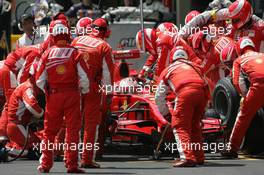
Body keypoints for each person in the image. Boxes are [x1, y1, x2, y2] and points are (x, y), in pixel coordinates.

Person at [36, 19, 89, 173]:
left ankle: (45, 164)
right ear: (68, 34)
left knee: (49, 132)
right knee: (73, 131)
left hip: (53, 96)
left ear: (53, 36)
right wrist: (83, 90)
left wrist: (48, 90)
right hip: (72, 95)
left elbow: (39, 80)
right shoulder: (75, 52)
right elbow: (84, 78)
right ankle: (72, 165)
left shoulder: (47, 54)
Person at [155, 46, 209, 167]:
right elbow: (206, 84)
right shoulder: (196, 67)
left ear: (172, 58)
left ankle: (187, 157)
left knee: (180, 126)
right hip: (202, 94)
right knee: (195, 126)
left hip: (185, 93)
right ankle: (199, 157)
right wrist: (204, 108)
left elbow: (158, 96)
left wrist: (167, 115)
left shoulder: (168, 70)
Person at [71, 17, 114, 168]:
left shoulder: (76, 40)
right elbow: (108, 74)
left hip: (73, 87)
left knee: (72, 123)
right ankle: (87, 159)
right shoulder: (104, 47)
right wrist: (109, 93)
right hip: (93, 89)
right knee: (91, 124)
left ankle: (69, 158)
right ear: (105, 32)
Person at [222, 37, 264, 158]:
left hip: (257, 87)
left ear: (239, 49)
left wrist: (244, 96)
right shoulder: (262, 55)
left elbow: (237, 82)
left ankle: (232, 149)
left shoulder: (239, 60)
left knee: (242, 117)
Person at [179, 0, 264, 53]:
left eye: (235, 20)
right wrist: (181, 34)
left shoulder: (260, 26)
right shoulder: (227, 13)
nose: (231, 21)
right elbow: (202, 17)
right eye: (230, 19)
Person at [0, 45, 41, 142]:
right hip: (9, 71)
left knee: (10, 104)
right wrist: (22, 89)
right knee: (10, 105)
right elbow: (23, 75)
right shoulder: (36, 52)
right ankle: (2, 135)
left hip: (7, 69)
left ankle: (4, 135)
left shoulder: (36, 49)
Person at [6, 71, 43, 158]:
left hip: (18, 126)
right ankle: (5, 151)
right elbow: (33, 106)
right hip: (17, 126)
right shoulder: (27, 88)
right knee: (36, 147)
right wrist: (43, 114)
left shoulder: (26, 86)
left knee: (35, 147)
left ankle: (9, 148)